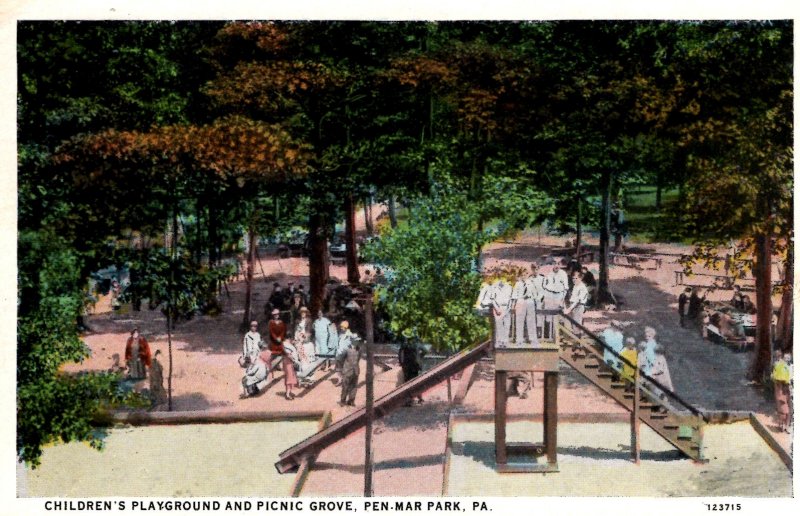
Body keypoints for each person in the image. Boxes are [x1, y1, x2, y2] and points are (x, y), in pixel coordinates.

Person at [512, 265, 540, 346]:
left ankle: (533, 339)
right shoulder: (518, 284)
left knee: (531, 321)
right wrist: (514, 305)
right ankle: (519, 340)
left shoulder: (530, 283)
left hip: (529, 301)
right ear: (520, 275)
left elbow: (535, 294)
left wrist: (535, 300)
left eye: (525, 274)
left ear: (527, 275)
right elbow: (514, 295)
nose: (524, 276)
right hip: (520, 301)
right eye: (522, 275)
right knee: (519, 321)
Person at [542, 260, 569, 338]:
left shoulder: (563, 274)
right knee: (548, 315)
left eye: (558, 264)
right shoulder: (549, 273)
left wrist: (562, 299)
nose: (556, 266)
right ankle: (547, 335)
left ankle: (560, 336)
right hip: (549, 294)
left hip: (559, 295)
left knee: (559, 315)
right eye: (555, 264)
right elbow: (544, 285)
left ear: (560, 265)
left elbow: (566, 288)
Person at [490, 274, 513, 347]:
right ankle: (499, 342)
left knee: (507, 325)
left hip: (506, 308)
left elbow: (511, 299)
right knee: (499, 326)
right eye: (501, 277)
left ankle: (505, 342)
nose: (502, 279)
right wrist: (496, 308)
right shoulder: (494, 287)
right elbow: (492, 299)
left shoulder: (509, 287)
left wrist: (508, 308)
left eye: (504, 277)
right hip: (498, 308)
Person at [771, 351, 792, 433]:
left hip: (787, 388)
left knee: (788, 408)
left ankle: (785, 425)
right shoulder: (779, 365)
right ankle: (783, 425)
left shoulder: (786, 366)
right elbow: (775, 377)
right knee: (784, 408)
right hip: (782, 388)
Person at [340, 339, 361, 406]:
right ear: (352, 341)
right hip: (347, 371)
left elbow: (358, 358)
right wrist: (341, 369)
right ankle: (343, 400)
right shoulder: (346, 349)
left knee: (354, 386)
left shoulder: (359, 349)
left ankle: (351, 400)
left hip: (355, 371)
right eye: (356, 340)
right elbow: (341, 359)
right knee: (345, 386)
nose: (357, 342)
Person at [268, 309, 287, 374]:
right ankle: (271, 366)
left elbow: (283, 331)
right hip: (273, 340)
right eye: (275, 314)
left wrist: (280, 338)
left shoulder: (281, 322)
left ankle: (278, 365)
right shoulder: (271, 322)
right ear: (273, 315)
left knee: (280, 353)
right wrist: (276, 338)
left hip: (280, 340)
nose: (276, 315)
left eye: (277, 314)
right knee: (273, 353)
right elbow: (271, 331)